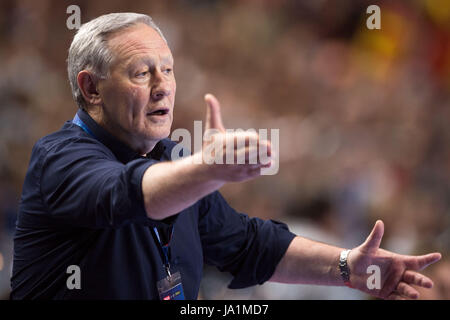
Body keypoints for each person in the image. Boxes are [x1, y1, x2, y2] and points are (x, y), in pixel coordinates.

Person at [10, 12, 441, 300]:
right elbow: (130, 194)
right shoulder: (60, 158)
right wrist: (207, 167)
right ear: (91, 88)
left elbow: (251, 245)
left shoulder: (172, 160)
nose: (163, 85)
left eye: (169, 69)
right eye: (142, 73)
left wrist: (348, 267)